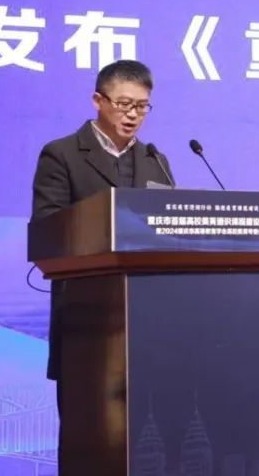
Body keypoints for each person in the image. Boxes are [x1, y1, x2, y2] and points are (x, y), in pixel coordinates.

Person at [29, 59, 174, 461]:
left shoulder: (155, 160)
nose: (133, 115)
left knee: (147, 441)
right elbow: (48, 230)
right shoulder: (62, 155)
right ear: (98, 100)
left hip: (147, 323)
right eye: (124, 104)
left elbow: (167, 230)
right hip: (87, 322)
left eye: (142, 106)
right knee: (90, 443)